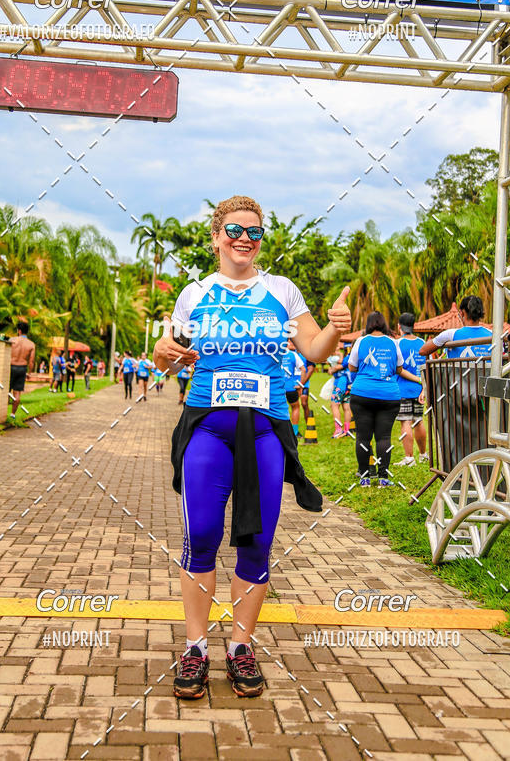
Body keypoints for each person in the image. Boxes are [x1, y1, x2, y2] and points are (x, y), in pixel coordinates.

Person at [153, 195, 351, 701]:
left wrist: (335, 329)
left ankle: (241, 647)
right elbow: (167, 359)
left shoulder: (281, 291)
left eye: (255, 232)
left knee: (257, 542)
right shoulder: (194, 294)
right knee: (200, 534)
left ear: (261, 240)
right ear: (217, 236)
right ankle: (195, 647)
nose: (245, 238)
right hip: (207, 427)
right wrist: (163, 352)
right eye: (236, 230)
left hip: (265, 429)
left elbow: (313, 349)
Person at [349, 312, 421, 488]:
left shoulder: (360, 341)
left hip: (362, 394)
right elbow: (399, 368)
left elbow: (352, 367)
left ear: (368, 324)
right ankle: (383, 478)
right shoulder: (393, 342)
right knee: (384, 437)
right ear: (383, 324)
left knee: (363, 437)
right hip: (389, 395)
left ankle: (365, 477)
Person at [394, 313, 428, 467]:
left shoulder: (397, 344)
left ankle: (409, 458)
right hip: (419, 390)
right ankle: (423, 454)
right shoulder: (423, 342)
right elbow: (428, 367)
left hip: (402, 389)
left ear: (399, 326)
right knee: (418, 421)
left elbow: (395, 367)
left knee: (405, 421)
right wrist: (424, 387)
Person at [420, 296, 493, 360]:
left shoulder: (450, 334)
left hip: (459, 375)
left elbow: (423, 351)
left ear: (462, 313)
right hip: (486, 375)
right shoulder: (492, 335)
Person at [9, 321, 36, 418]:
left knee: (5, 391)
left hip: (11, 366)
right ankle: (12, 414)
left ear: (19, 331)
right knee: (17, 392)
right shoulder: (31, 344)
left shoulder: (12, 340)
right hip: (22, 368)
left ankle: (3, 412)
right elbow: (31, 361)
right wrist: (29, 373)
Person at [281, 339, 305, 438]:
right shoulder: (292, 355)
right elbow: (303, 369)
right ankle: (294, 432)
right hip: (290, 387)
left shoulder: (272, 354)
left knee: (278, 409)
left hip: (276, 387)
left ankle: (279, 432)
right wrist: (300, 384)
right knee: (295, 407)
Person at [329, 348, 353, 438]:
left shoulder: (347, 357)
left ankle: (338, 430)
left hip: (341, 384)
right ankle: (346, 430)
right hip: (349, 384)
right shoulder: (354, 357)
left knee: (334, 405)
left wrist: (332, 369)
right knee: (346, 407)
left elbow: (340, 365)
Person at [299, 355, 316, 424]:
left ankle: (308, 424)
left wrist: (302, 384)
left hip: (303, 384)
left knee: (304, 403)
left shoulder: (306, 354)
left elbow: (311, 369)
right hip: (290, 384)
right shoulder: (288, 354)